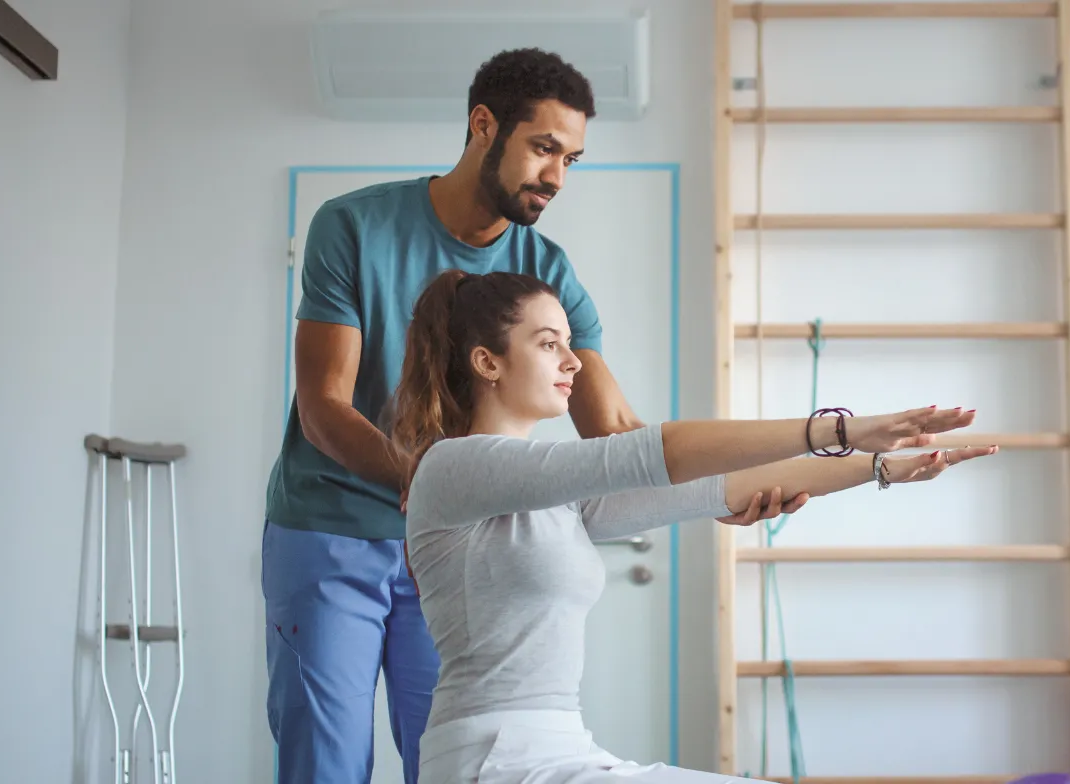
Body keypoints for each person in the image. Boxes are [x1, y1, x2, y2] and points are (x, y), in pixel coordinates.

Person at [261, 48, 803, 784]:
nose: (556, 177)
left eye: (571, 159)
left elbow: (616, 436)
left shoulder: (547, 272)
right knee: (326, 762)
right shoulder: (352, 226)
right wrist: (437, 485)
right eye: (543, 148)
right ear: (484, 126)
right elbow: (324, 407)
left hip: (461, 549)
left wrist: (719, 490)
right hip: (332, 531)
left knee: (444, 756)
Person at [388, 269, 999, 783]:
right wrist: (840, 429)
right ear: (487, 361)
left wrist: (882, 467)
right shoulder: (452, 467)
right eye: (549, 344)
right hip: (494, 759)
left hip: (559, 751)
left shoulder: (557, 497)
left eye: (570, 342)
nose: (574, 361)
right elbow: (656, 452)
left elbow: (718, 487)